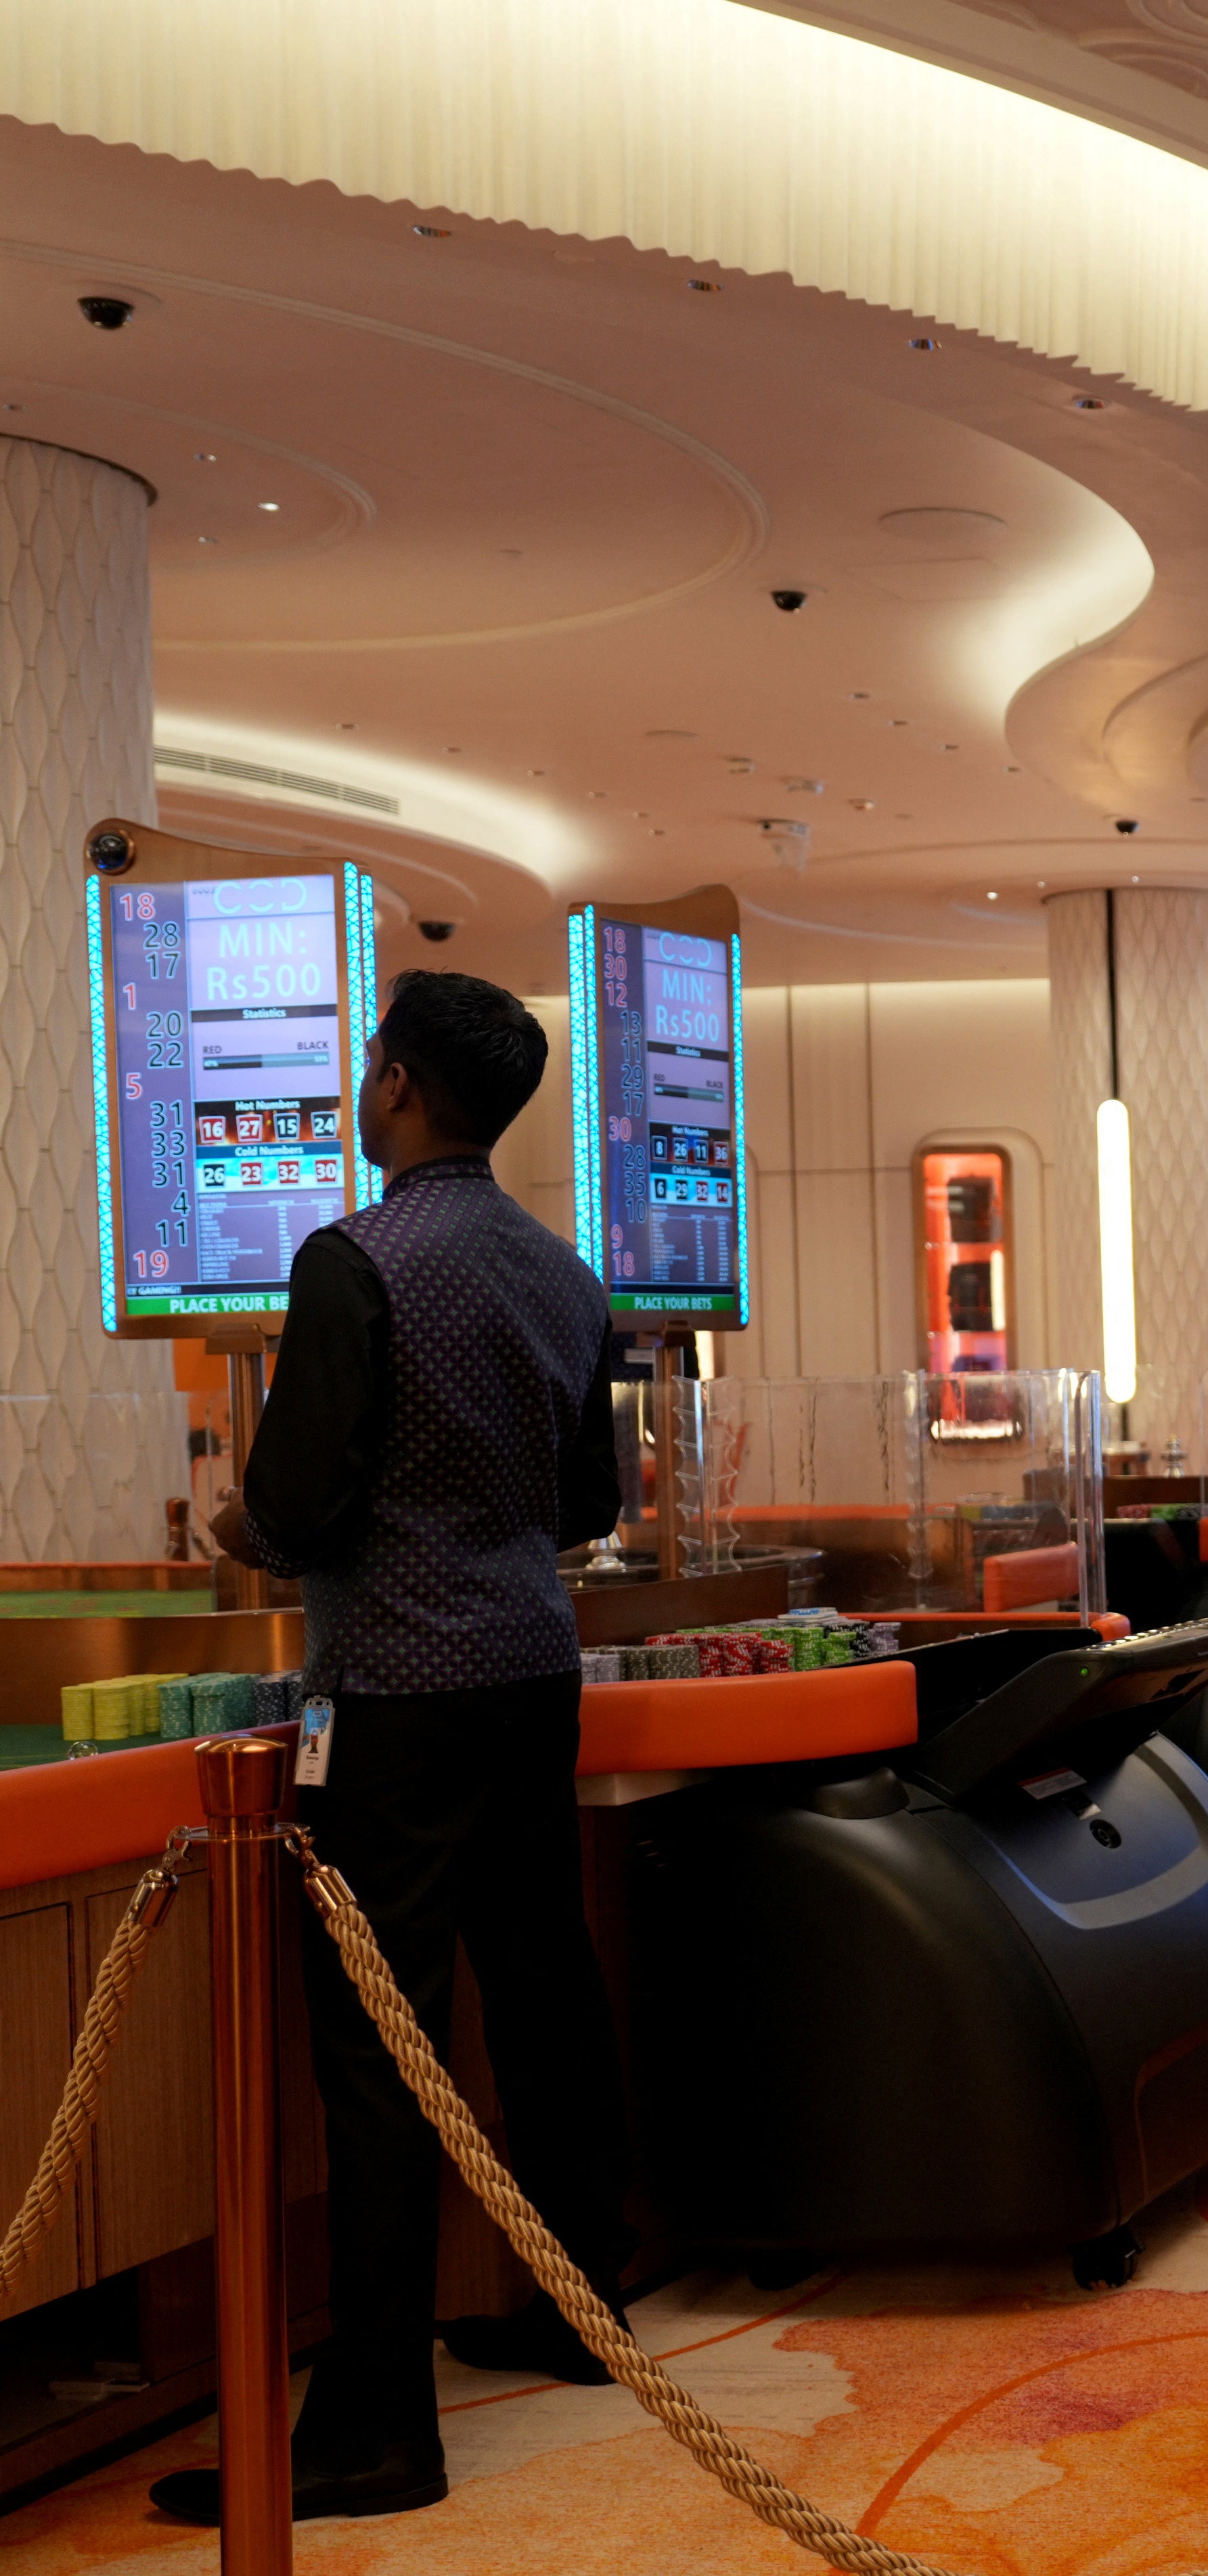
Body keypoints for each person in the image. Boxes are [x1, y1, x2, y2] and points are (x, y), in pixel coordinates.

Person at [157, 973, 633, 2527]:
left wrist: (250, 1518)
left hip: (398, 1689)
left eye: (370, 1065)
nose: (363, 1085)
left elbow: (294, 1503)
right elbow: (588, 1503)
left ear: (403, 1082)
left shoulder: (351, 1257)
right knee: (546, 1988)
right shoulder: (564, 1273)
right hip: (529, 1667)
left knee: (377, 2036)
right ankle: (578, 2311)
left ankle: (375, 2427)